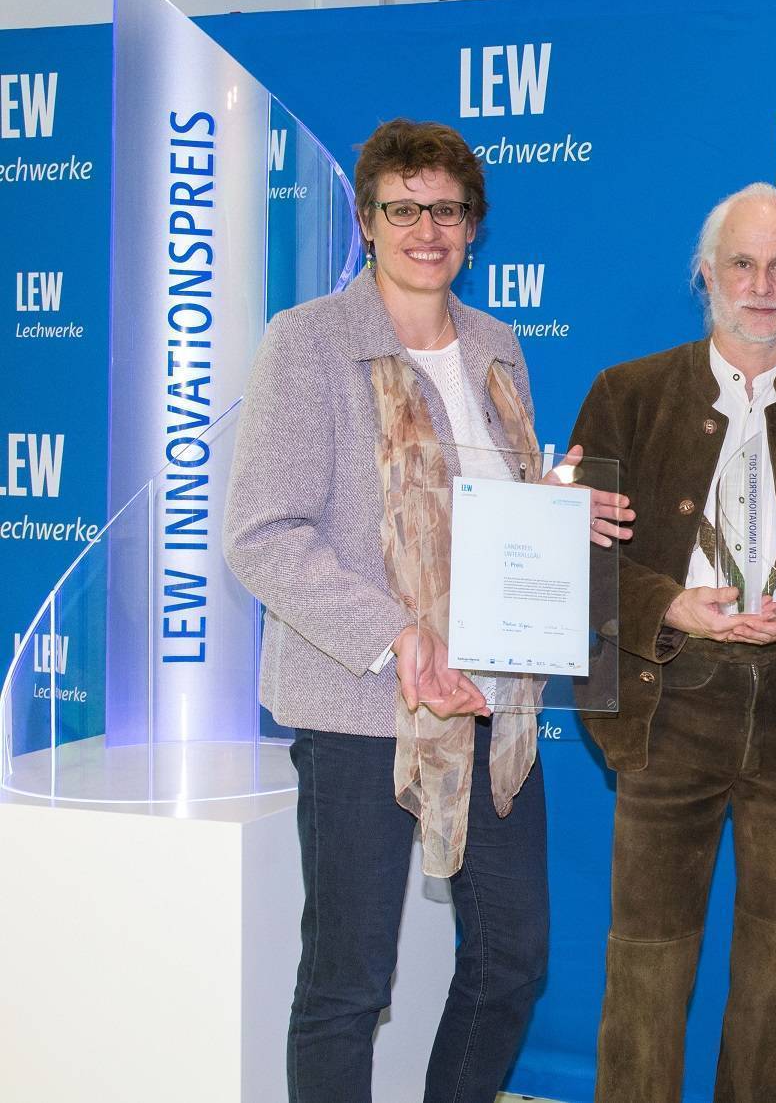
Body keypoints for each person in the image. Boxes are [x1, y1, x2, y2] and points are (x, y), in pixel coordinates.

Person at [224, 117, 631, 1103]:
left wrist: (555, 512)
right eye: (404, 209)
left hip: (493, 707)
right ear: (367, 222)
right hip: (365, 710)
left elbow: (494, 512)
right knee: (348, 985)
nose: (427, 229)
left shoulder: (498, 343)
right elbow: (262, 533)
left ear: (473, 227)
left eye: (447, 210)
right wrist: (396, 637)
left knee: (512, 965)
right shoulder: (309, 343)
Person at [568, 182, 776, 1103]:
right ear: (706, 276)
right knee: (646, 965)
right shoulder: (626, 396)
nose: (763, 283)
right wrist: (670, 607)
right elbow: (576, 559)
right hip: (668, 711)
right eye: (743, 264)